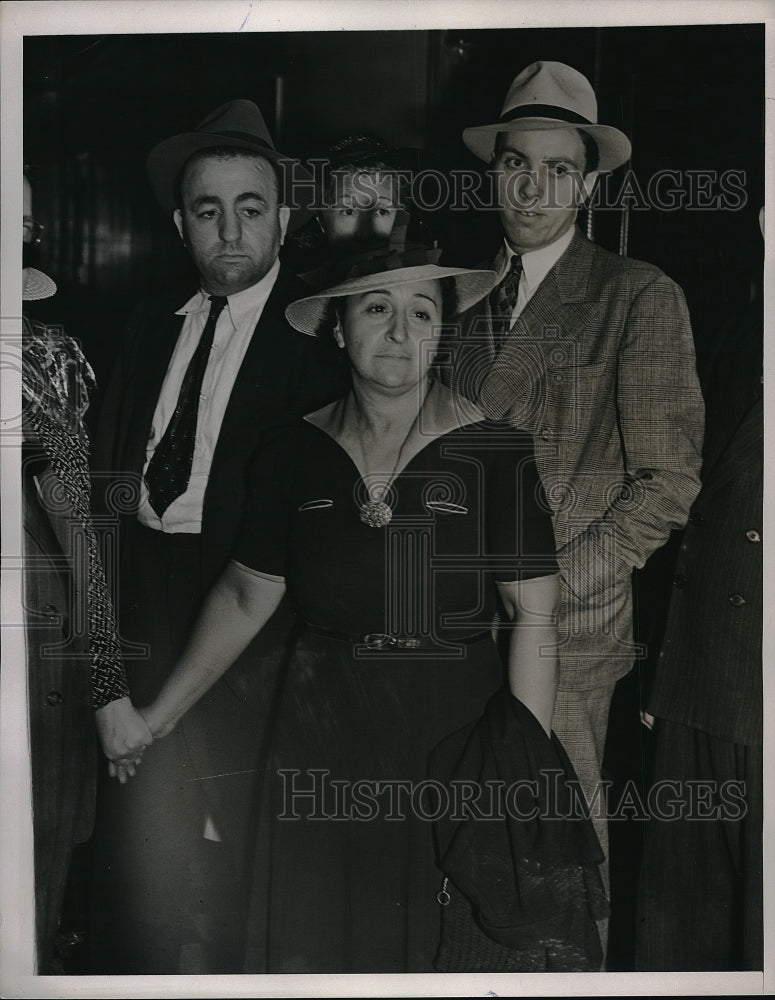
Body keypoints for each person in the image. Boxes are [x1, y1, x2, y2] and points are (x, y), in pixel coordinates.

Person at [113, 250, 610, 973]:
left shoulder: (495, 451)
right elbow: (246, 593)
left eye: (421, 313)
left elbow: (533, 616)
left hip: (451, 730)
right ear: (338, 330)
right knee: (315, 936)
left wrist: (517, 765)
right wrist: (156, 719)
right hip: (318, 726)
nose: (400, 332)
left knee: (438, 946)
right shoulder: (289, 451)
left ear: (441, 333)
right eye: (376, 309)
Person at [87, 99, 347, 973]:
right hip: (143, 605)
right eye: (208, 211)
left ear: (284, 217)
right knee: (142, 876)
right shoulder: (144, 328)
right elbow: (100, 503)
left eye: (251, 208)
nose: (230, 232)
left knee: (252, 882)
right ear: (179, 224)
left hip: (259, 636)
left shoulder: (322, 341)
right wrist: (109, 682)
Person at [449, 61, 705, 912]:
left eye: (558, 170)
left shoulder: (635, 297)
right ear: (492, 171)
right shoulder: (451, 299)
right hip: (449, 629)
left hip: (569, 635)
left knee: (558, 870)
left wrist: (550, 589)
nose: (533, 187)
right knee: (459, 859)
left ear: (588, 184)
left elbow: (665, 485)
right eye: (517, 163)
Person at [21, 170, 149, 972]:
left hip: (33, 675)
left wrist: (106, 685)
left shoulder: (46, 355)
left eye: (22, 224)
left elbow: (80, 532)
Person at [636, 209, 763, 971]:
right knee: (681, 938)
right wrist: (663, 666)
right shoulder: (733, 336)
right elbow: (686, 507)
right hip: (697, 682)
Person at [284, 133, 410, 287]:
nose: (366, 233)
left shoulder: (418, 286)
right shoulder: (291, 292)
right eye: (349, 211)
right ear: (321, 219)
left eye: (382, 211)